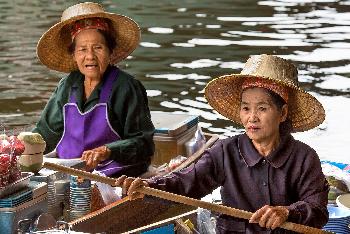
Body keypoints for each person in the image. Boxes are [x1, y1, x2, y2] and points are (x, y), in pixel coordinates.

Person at [117, 54, 329, 233]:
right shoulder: (226, 151)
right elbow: (185, 183)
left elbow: (318, 211)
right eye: (246, 108)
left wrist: (287, 212)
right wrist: (148, 186)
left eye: (262, 108)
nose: (252, 118)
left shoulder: (304, 158)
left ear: (282, 113)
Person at [33, 2, 155, 177]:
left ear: (110, 51)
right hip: (68, 173)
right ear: (74, 55)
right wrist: (18, 146)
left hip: (114, 176)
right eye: (82, 49)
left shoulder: (126, 87)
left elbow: (144, 144)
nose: (90, 56)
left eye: (98, 47)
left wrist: (107, 151)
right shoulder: (67, 85)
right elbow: (45, 133)